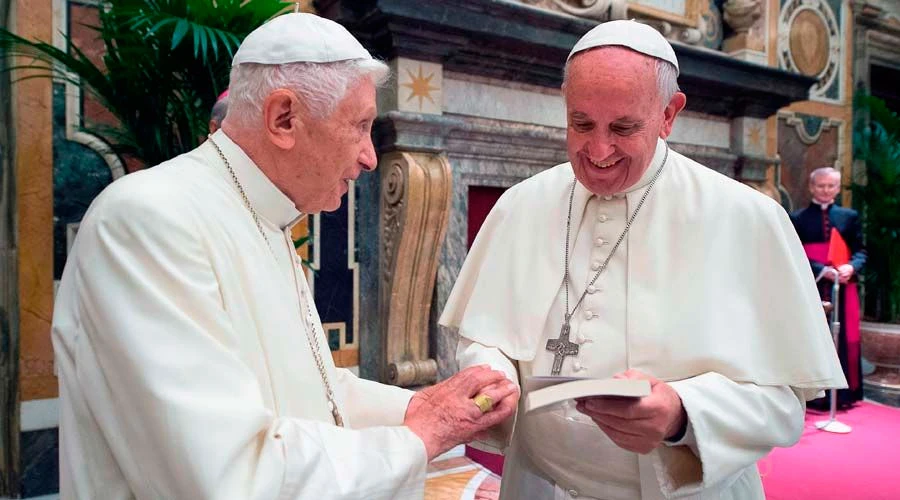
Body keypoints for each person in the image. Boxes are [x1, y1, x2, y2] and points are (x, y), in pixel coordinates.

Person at [51, 13, 517, 500]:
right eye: (359, 127)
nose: (369, 156)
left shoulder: (264, 216)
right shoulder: (148, 220)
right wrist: (425, 432)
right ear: (284, 119)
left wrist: (422, 406)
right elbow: (225, 474)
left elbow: (316, 391)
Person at [440, 20, 845, 500]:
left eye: (624, 128)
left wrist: (681, 414)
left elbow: (784, 406)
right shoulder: (521, 205)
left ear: (669, 114)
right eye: (581, 123)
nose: (598, 150)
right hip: (538, 485)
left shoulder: (747, 218)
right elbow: (487, 337)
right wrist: (495, 376)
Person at [790, 167, 867, 409]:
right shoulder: (797, 218)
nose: (825, 190)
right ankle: (814, 395)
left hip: (843, 287)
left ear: (837, 187)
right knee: (813, 336)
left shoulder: (849, 216)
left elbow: (861, 251)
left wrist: (851, 268)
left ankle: (843, 396)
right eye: (821, 186)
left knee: (843, 338)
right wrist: (822, 270)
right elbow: (794, 252)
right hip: (812, 284)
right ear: (812, 187)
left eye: (831, 186)